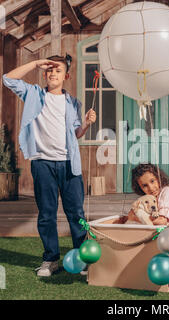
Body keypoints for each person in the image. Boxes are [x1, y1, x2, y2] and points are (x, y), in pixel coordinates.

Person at [3, 54, 96, 277]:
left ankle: (83, 258)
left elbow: (75, 135)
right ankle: (51, 259)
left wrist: (85, 125)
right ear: (45, 73)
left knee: (77, 214)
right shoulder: (33, 93)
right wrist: (35, 63)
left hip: (69, 164)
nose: (52, 73)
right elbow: (8, 79)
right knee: (47, 213)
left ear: (66, 76)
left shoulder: (73, 103)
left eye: (57, 70)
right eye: (49, 70)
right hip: (43, 163)